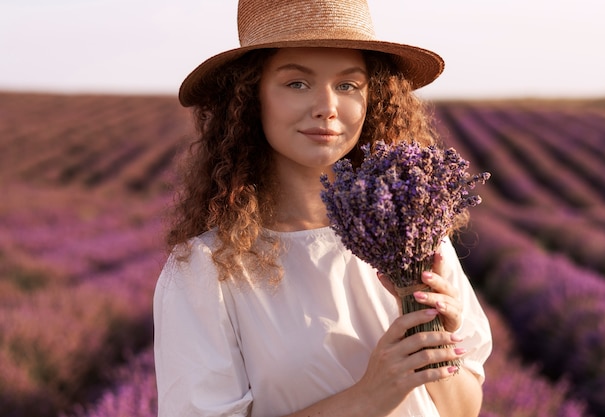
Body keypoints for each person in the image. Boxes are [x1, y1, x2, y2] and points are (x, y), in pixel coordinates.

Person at [153, 0, 492, 416]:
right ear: (248, 96)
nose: (327, 107)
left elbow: (463, 409)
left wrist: (439, 341)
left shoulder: (413, 231)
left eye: (348, 85)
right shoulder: (208, 267)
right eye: (297, 83)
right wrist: (369, 395)